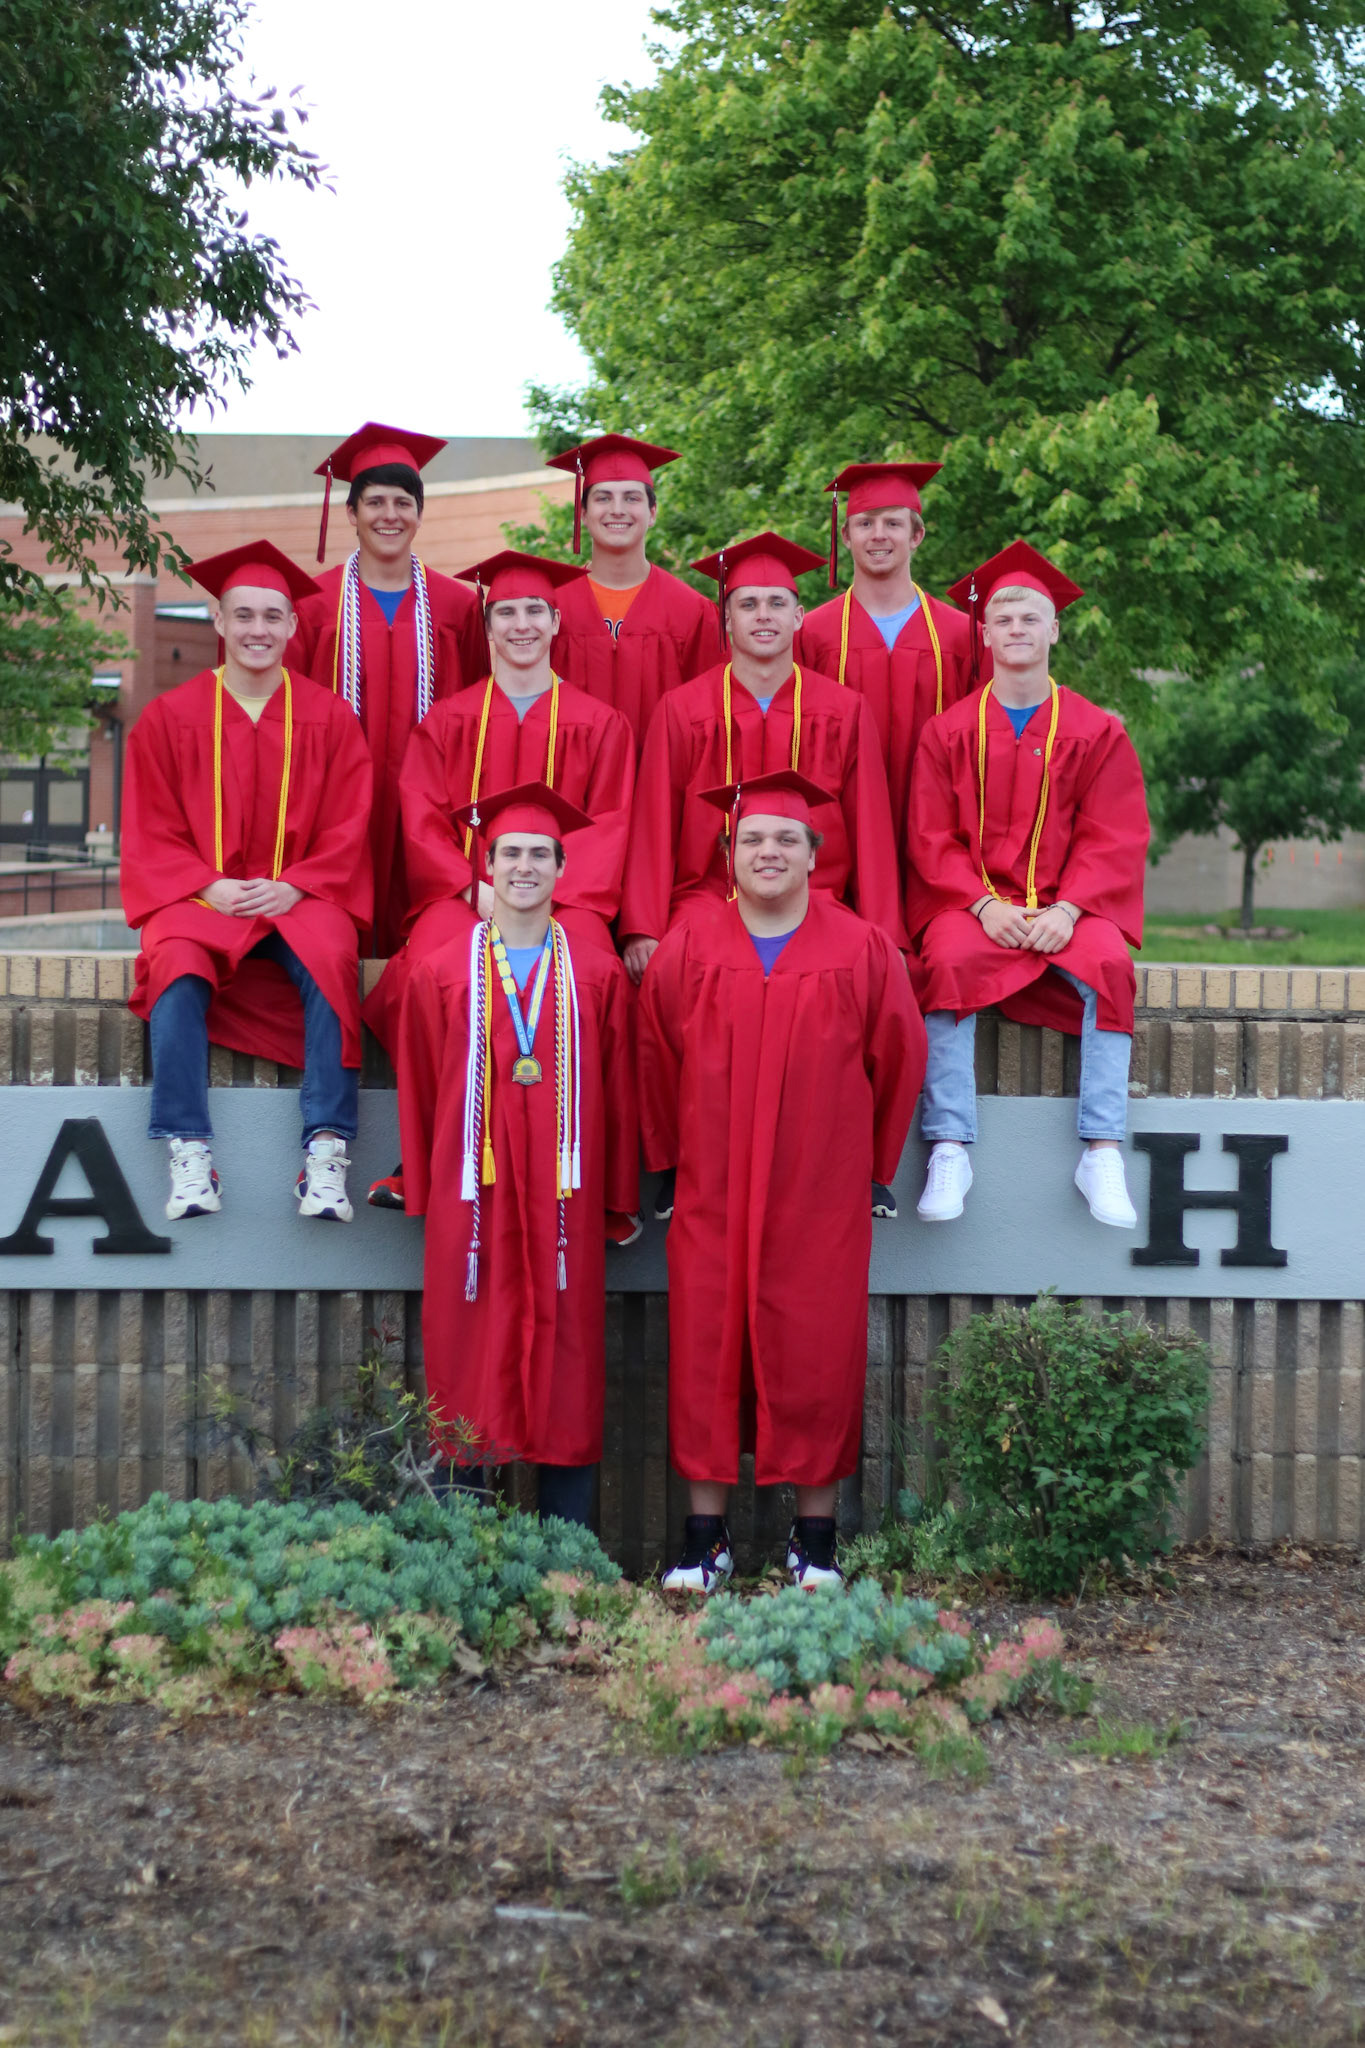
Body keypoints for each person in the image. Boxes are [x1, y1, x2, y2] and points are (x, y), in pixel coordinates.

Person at [636, 769, 925, 1590]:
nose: (768, 851)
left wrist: (866, 1168)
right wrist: (672, 1161)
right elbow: (655, 1057)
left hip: (819, 1191)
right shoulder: (691, 942)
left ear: (813, 854)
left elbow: (896, 1057)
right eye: (752, 839)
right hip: (713, 1188)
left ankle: (815, 1538)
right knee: (704, 1352)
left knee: (817, 1352)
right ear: (728, 853)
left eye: (785, 840)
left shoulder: (860, 947)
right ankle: (704, 1537)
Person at [397, 783, 639, 1526]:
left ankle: (569, 1556)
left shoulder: (595, 974)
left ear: (562, 870)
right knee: (470, 1353)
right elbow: (420, 1085)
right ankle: (463, 1551)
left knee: (566, 1365)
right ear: (488, 867)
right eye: (511, 854)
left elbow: (622, 1096)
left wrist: (615, 1200)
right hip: (475, 1200)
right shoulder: (440, 970)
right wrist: (431, 1188)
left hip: (563, 1204)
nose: (525, 867)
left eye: (540, 854)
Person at [362, 550, 634, 1210]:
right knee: (425, 969)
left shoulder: (600, 724)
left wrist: (541, 896)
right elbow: (421, 818)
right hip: (464, 895)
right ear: (487, 630)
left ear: (555, 622)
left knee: (594, 971)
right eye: (505, 613)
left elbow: (608, 825)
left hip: (564, 900)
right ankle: (427, 1151)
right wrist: (472, 887)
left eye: (532, 612)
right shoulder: (448, 721)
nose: (519, 625)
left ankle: (593, 1176)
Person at [122, 541, 374, 1224]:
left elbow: (349, 825)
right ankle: (188, 1146)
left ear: (294, 626)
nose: (257, 630)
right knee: (172, 962)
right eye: (243, 616)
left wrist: (297, 885)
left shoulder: (329, 718)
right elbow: (149, 827)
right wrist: (205, 885)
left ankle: (325, 1149)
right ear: (218, 621)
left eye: (271, 616)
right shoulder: (168, 719)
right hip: (202, 898)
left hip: (299, 897)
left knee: (331, 958)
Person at [906, 541, 1149, 1229]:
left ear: (1053, 630)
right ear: (983, 634)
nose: (1016, 629)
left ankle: (1101, 1148)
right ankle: (949, 1144)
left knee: (1108, 966)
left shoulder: (1095, 730)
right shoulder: (947, 732)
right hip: (971, 903)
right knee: (945, 964)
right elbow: (929, 836)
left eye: (1029, 618)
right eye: (1003, 620)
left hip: (1069, 904)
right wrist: (981, 904)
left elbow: (1117, 834)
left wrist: (1069, 910)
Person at [619, 530, 906, 990]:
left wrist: (888, 932)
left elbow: (870, 827)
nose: (763, 616)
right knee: (677, 969)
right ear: (726, 619)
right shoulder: (683, 709)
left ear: (798, 617)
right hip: (707, 898)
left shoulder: (843, 710)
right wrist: (643, 928)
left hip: (818, 898)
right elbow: (654, 822)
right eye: (748, 604)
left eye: (776, 603)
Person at [286, 421, 488, 954]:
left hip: (433, 800)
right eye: (375, 503)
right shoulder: (312, 606)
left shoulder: (458, 606)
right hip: (334, 800)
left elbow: (476, 701)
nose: (390, 516)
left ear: (420, 513)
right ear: (350, 513)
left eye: (403, 502)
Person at [797, 461, 977, 844]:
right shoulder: (810, 635)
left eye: (893, 523)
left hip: (941, 833)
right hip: (840, 834)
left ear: (917, 535)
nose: (878, 535)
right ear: (845, 535)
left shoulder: (963, 635)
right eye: (865, 524)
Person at [544, 433, 722, 746]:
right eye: (603, 498)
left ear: (652, 513)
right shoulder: (551, 607)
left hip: (663, 786)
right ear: (583, 515)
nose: (617, 510)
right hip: (569, 786)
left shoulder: (692, 611)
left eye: (632, 497)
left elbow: (714, 715)